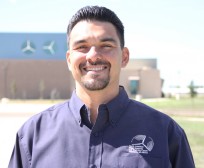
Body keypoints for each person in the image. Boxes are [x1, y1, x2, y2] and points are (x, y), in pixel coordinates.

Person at [9, 6, 195, 168]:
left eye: (106, 45)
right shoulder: (32, 135)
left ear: (124, 57)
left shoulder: (166, 132)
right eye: (82, 47)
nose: (93, 55)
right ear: (68, 59)